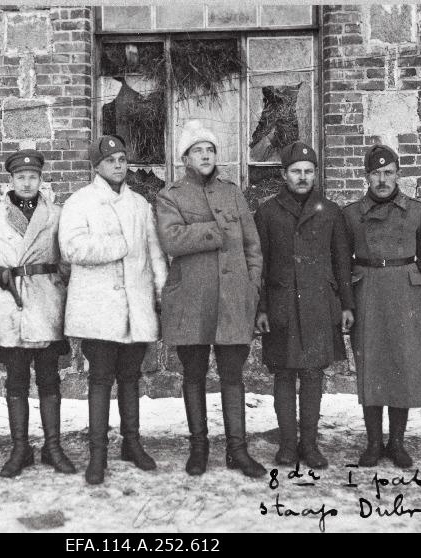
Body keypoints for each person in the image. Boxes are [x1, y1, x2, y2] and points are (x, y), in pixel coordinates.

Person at [156, 120, 265, 478]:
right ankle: (198, 448)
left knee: (233, 376)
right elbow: (171, 240)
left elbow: (252, 246)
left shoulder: (233, 193)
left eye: (210, 150)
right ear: (185, 157)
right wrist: (213, 232)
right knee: (194, 375)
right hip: (191, 302)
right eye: (197, 150)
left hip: (233, 301)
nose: (205, 156)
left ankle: (238, 449)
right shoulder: (170, 196)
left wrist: (251, 288)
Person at [59, 135, 167, 485]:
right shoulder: (80, 202)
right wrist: (116, 245)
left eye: (122, 159)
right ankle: (98, 454)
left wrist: (160, 292)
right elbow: (72, 248)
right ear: (97, 166)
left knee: (131, 377)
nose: (119, 165)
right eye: (111, 160)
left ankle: (132, 444)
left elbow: (153, 252)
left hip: (135, 306)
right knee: (101, 378)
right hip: (98, 308)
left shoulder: (139, 204)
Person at [0, 149, 75, 478]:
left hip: (46, 303)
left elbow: (68, 257)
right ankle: (20, 449)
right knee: (16, 381)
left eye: (33, 177)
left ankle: (53, 447)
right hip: (11, 306)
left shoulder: (57, 215)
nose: (27, 182)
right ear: (11, 180)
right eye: (21, 177)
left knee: (49, 380)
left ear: (41, 180)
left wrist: (60, 278)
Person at [254, 141, 354, 470]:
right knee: (283, 374)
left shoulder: (331, 211)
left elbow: (342, 264)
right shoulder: (267, 212)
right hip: (282, 303)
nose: (302, 177)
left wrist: (346, 306)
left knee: (312, 375)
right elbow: (261, 265)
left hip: (318, 304)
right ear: (284, 174)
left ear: (315, 175)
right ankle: (286, 445)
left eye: (308, 172)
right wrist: (262, 309)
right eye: (296, 171)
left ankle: (309, 444)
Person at [342, 144, 421, 468]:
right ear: (366, 175)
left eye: (388, 173)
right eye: (376, 173)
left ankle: (396, 443)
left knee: (401, 366)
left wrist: (411, 279)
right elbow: (342, 260)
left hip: (403, 294)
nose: (382, 179)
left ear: (398, 174)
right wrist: (349, 301)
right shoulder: (351, 214)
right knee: (371, 366)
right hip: (367, 289)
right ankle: (372, 443)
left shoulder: (416, 211)